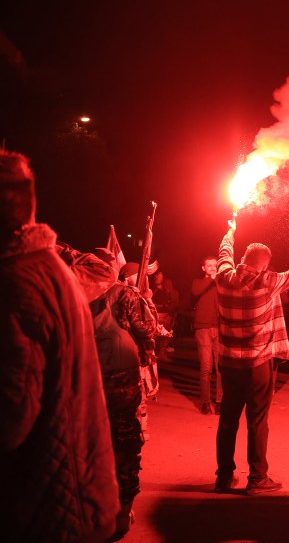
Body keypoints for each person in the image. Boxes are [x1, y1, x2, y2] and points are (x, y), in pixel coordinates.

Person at [0, 149, 120, 542]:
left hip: (47, 511)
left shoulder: (17, 284)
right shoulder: (49, 269)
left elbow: (10, 418)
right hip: (75, 498)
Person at [213, 218, 289, 495]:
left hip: (229, 363)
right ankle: (257, 478)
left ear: (243, 259)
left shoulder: (223, 276)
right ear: (264, 265)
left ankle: (224, 476)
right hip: (257, 365)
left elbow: (223, 254)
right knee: (257, 420)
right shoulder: (269, 281)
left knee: (228, 419)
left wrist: (229, 232)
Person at [91, 259, 158, 537]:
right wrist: (150, 311)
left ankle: (96, 507)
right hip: (120, 367)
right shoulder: (125, 294)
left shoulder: (83, 295)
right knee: (125, 439)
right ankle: (121, 513)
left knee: (96, 436)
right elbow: (144, 328)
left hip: (92, 368)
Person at [192, 255, 221, 415]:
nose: (212, 267)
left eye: (214, 265)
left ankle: (219, 402)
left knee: (221, 368)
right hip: (202, 329)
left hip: (219, 328)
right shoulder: (198, 283)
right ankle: (205, 402)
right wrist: (211, 279)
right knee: (206, 367)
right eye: (209, 265)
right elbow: (196, 291)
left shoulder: (221, 283)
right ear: (203, 268)